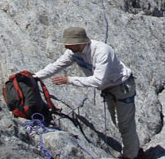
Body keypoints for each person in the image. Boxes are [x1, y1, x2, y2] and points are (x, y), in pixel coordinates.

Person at [33, 27, 140, 159]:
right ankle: (133, 149)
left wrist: (69, 80)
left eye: (69, 44)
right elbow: (57, 65)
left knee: (125, 125)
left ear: (80, 42)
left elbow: (98, 81)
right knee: (118, 123)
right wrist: (35, 77)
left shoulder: (102, 51)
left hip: (122, 88)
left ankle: (132, 156)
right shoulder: (73, 52)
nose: (66, 46)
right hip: (109, 90)